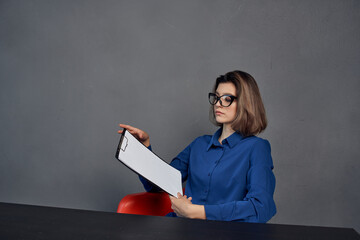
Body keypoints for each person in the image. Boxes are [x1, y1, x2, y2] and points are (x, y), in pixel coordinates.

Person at [118, 70, 276, 222]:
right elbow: (159, 186)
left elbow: (261, 207)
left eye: (227, 99)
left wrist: (197, 212)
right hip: (180, 227)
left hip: (223, 233)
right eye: (216, 97)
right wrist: (143, 149)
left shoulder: (257, 148)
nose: (218, 104)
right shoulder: (199, 144)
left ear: (245, 103)